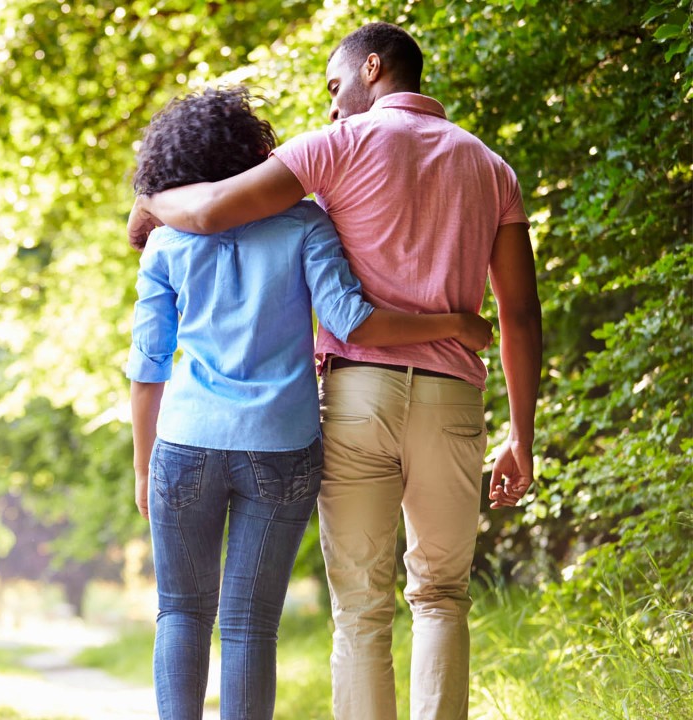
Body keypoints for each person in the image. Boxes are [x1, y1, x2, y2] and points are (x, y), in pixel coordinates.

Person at [127, 22, 543, 720]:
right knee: (441, 595)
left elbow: (205, 215)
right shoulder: (490, 167)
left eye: (334, 86)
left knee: (357, 607)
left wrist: (150, 203)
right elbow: (522, 316)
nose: (329, 106)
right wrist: (521, 436)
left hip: (350, 396)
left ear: (371, 68)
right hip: (445, 400)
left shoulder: (333, 149)